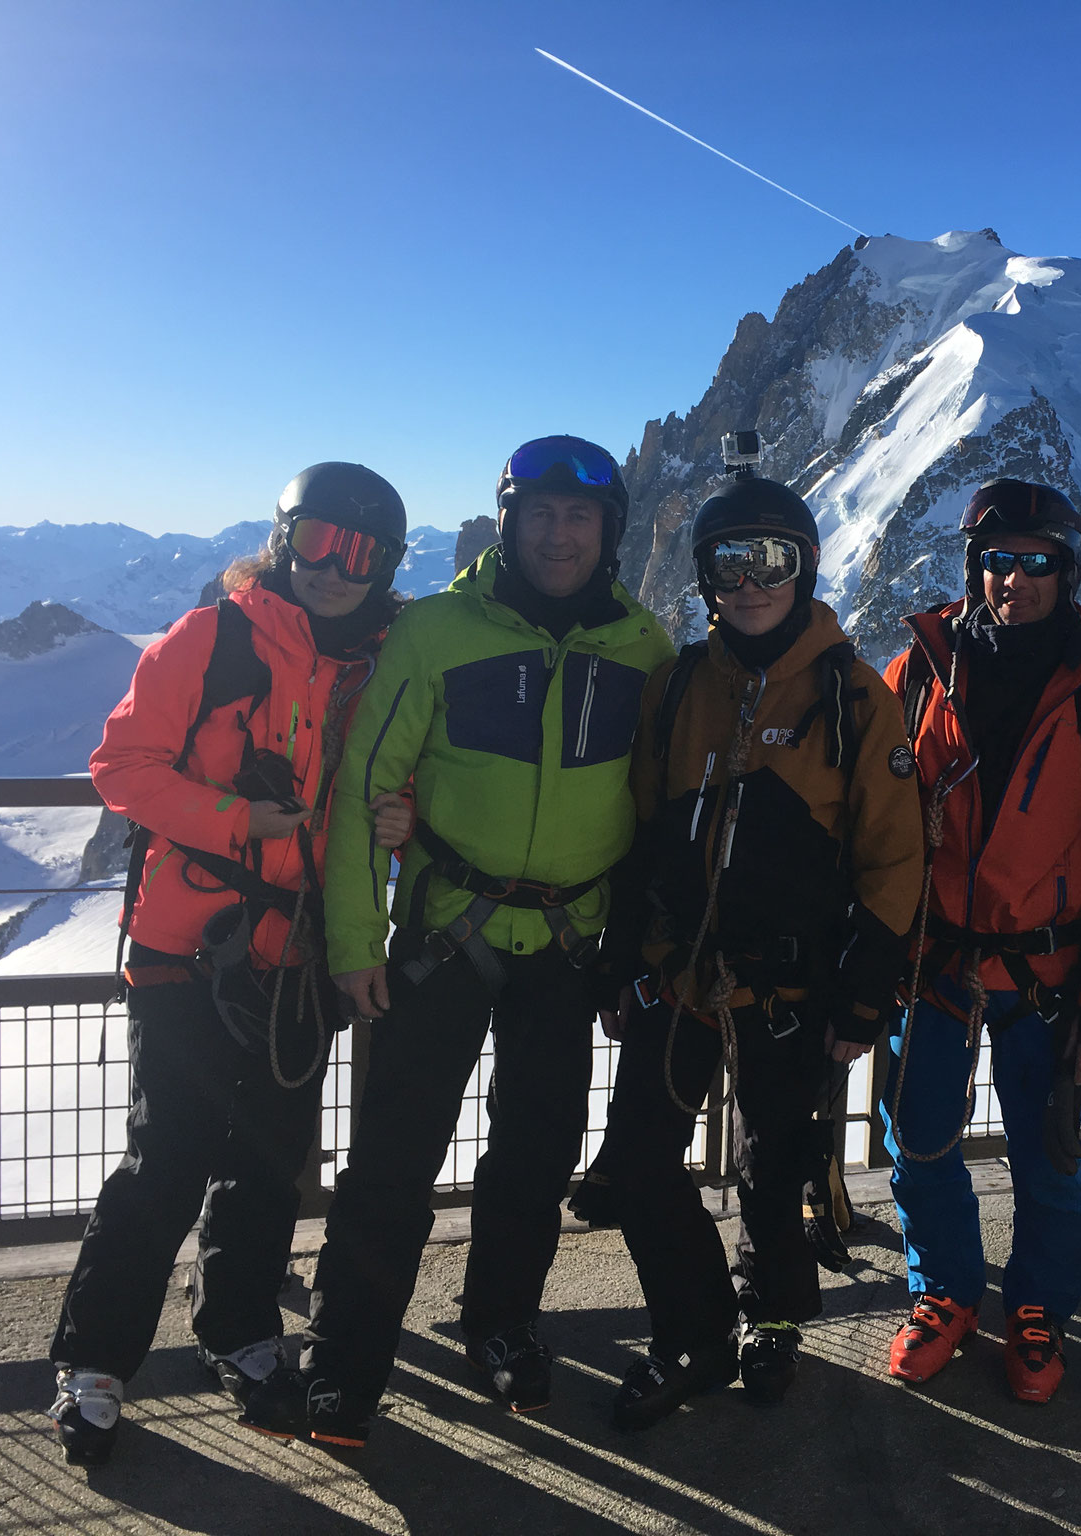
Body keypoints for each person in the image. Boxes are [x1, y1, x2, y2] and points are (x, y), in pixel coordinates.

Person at [238, 436, 673, 1449]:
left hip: (568, 940)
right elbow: (357, 793)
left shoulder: (641, 645)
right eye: (540, 515)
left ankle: (501, 1326)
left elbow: (655, 806)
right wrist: (356, 942)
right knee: (393, 1160)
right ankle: (347, 1362)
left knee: (534, 1153)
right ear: (510, 522)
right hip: (442, 934)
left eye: (579, 517)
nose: (558, 534)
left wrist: (633, 945)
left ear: (606, 532)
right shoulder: (434, 633)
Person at [47, 463, 413, 1465]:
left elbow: (400, 775)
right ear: (286, 537)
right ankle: (94, 1365)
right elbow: (121, 766)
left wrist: (400, 815)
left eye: (363, 552)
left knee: (265, 1162)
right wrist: (234, 818)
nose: (338, 568)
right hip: (188, 953)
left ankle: (239, 1332)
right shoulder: (212, 638)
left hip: (296, 956)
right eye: (321, 541)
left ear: (385, 565)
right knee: (165, 1159)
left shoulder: (388, 660)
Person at [599, 462, 923, 1430]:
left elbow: (893, 856)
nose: (746, 585)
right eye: (725, 565)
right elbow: (642, 830)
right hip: (682, 973)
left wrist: (865, 993)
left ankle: (772, 1319)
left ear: (807, 568)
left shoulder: (852, 699)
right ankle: (696, 1329)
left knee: (774, 1171)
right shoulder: (676, 689)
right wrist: (627, 958)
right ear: (702, 579)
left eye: (768, 561)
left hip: (790, 987)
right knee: (639, 1159)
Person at [878, 480, 1081, 1405]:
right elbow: (872, 820)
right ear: (975, 568)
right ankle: (947, 1292)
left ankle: (1038, 1309)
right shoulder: (918, 667)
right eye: (999, 560)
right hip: (933, 960)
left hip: (1047, 967)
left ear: (1067, 572)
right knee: (918, 1139)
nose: (1015, 579)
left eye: (1037, 562)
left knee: (1049, 1156)